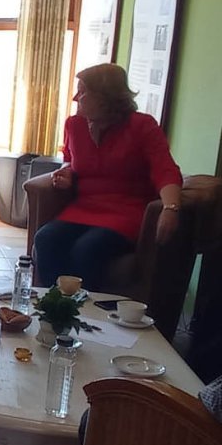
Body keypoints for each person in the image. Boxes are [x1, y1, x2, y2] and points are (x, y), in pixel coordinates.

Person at [33, 63, 183, 291]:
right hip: (84, 208)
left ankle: (87, 309)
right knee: (45, 239)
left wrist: (171, 208)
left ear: (105, 97)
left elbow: (166, 170)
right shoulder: (74, 125)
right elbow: (71, 160)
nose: (75, 98)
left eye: (83, 92)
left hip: (126, 212)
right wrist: (67, 172)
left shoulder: (142, 126)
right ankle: (54, 303)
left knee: (86, 249)